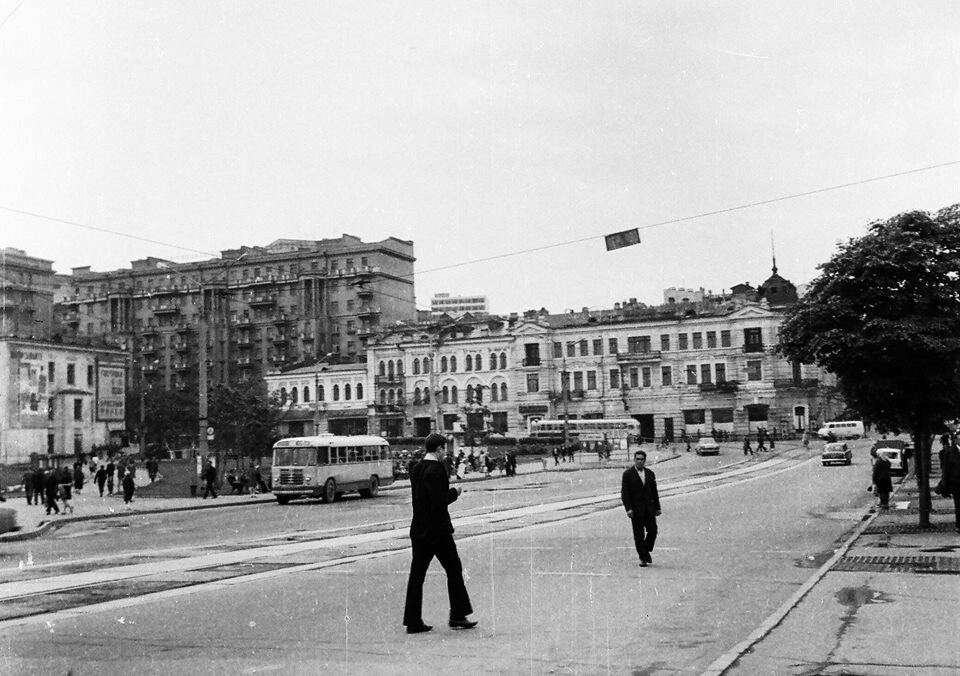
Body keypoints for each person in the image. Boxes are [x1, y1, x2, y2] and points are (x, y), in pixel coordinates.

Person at [402, 433, 476, 634]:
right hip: (438, 531)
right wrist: (455, 493)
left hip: (419, 529)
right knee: (454, 569)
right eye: (444, 448)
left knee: (417, 576)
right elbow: (438, 500)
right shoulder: (436, 469)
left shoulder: (416, 468)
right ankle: (458, 615)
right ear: (439, 449)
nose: (446, 452)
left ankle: (413, 621)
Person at [621, 450, 661, 567]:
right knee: (639, 536)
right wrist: (628, 509)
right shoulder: (628, 474)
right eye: (637, 459)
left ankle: (645, 549)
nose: (640, 461)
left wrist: (657, 507)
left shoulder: (650, 473)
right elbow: (625, 493)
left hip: (649, 509)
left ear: (645, 460)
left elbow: (654, 492)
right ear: (634, 460)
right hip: (635, 510)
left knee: (653, 531)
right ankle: (643, 558)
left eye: (642, 459)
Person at [940, 439, 960, 532]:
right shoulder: (950, 452)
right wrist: (945, 485)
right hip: (956, 482)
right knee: (958, 504)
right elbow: (946, 469)